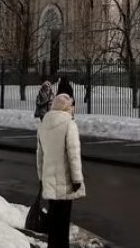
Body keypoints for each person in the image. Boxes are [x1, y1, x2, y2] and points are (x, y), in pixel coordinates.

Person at [36, 94, 83, 248]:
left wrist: (41, 178)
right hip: (66, 181)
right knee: (63, 221)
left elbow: (40, 156)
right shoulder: (69, 125)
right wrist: (77, 179)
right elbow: (73, 155)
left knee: (54, 220)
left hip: (49, 180)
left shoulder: (43, 125)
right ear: (67, 108)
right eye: (71, 107)